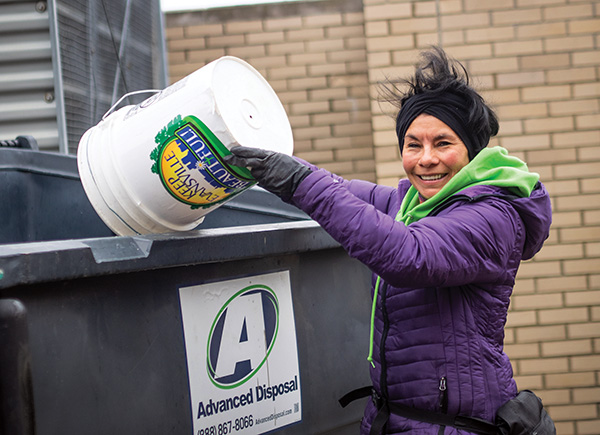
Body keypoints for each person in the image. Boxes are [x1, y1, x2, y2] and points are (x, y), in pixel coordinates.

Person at [223, 46, 553, 434]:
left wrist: (298, 181)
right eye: (413, 145)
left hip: (453, 426)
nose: (425, 159)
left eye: (443, 143)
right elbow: (339, 191)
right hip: (395, 419)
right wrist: (265, 168)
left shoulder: (492, 217)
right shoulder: (411, 203)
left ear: (472, 152)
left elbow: (410, 254)